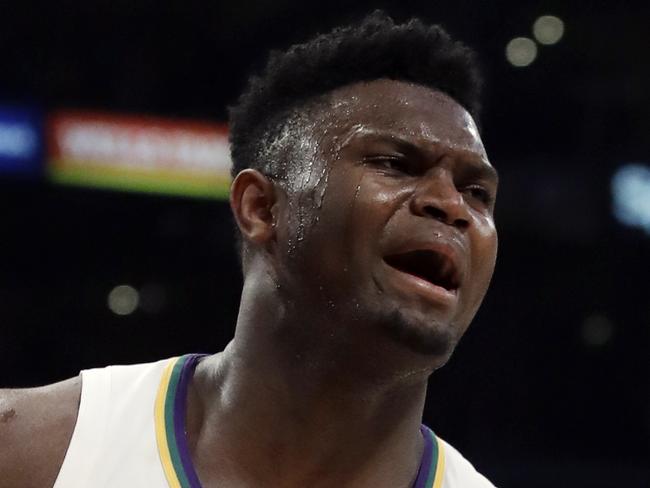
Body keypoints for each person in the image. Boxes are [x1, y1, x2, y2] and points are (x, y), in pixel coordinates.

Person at [0, 10, 499, 488]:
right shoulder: (28, 451)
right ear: (260, 208)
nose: (450, 205)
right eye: (396, 163)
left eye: (478, 193)